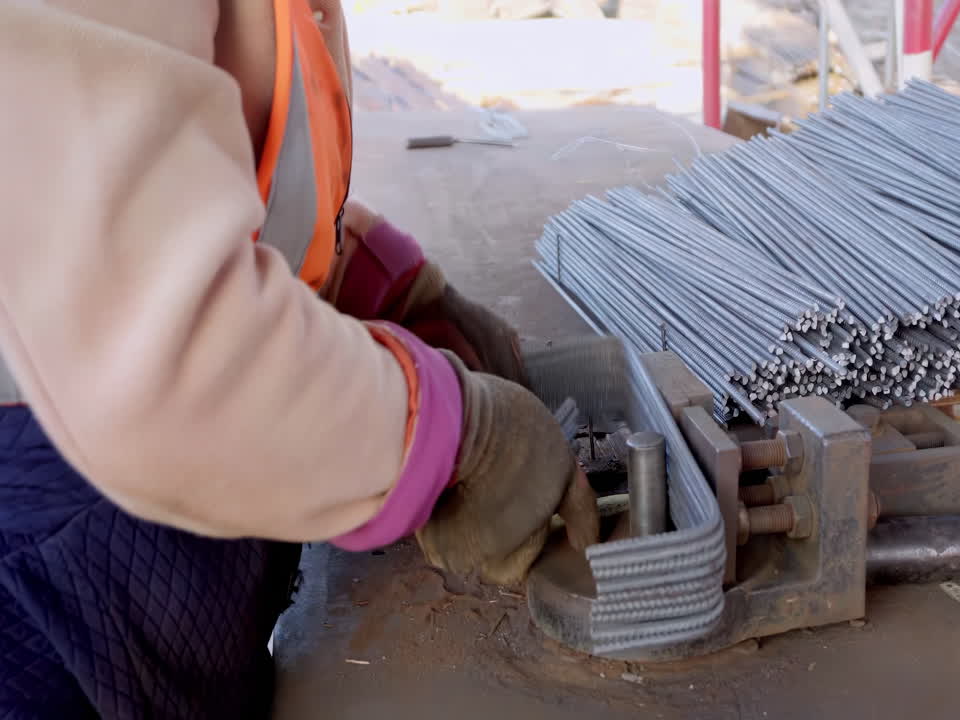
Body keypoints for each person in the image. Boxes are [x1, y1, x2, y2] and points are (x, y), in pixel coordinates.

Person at [0, 1, 595, 717]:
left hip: (127, 483)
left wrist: (366, 273)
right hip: (43, 551)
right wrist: (447, 433)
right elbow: (157, 361)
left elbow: (167, 146)